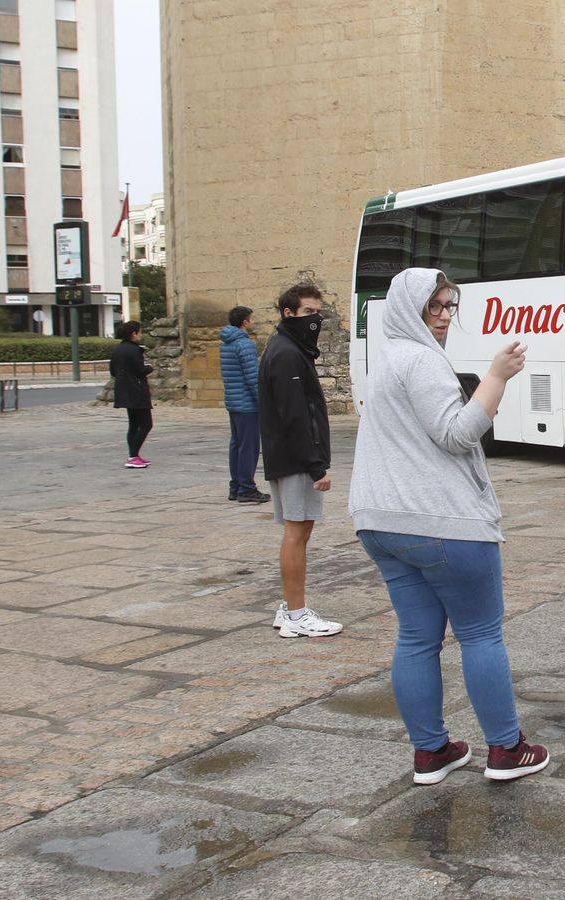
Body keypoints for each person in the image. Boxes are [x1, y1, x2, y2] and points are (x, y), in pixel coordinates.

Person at [349, 267, 548, 786]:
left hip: (380, 522)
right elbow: (457, 435)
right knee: (480, 633)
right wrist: (497, 377)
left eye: (448, 307)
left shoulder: (387, 358)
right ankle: (506, 750)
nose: (442, 318)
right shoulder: (422, 361)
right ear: (407, 311)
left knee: (416, 638)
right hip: (444, 523)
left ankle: (431, 752)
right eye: (433, 308)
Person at [259, 283, 343, 638]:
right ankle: (295, 614)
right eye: (308, 313)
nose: (315, 319)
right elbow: (295, 414)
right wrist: (315, 464)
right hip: (295, 460)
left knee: (299, 531)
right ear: (288, 313)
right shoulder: (288, 353)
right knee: (297, 532)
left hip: (288, 456)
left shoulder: (286, 349)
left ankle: (289, 607)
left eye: (317, 313)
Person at [221, 306, 269, 504]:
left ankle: (236, 486)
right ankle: (246, 487)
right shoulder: (244, 344)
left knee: (237, 444)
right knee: (249, 446)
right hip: (247, 403)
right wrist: (263, 401)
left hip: (233, 400)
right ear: (245, 322)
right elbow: (252, 377)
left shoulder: (226, 343)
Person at [109, 320, 153, 469]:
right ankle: (133, 455)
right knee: (146, 424)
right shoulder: (134, 350)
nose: (140, 335)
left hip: (124, 390)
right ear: (134, 333)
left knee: (134, 424)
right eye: (139, 332)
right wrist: (149, 368)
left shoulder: (117, 350)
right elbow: (140, 370)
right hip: (137, 390)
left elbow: (113, 371)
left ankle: (133, 455)